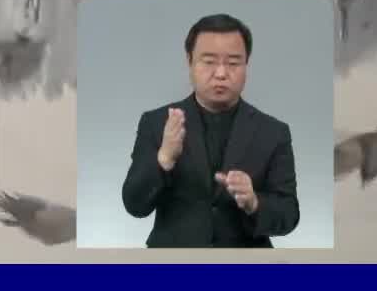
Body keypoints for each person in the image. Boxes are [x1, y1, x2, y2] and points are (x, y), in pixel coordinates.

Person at [120, 13, 300, 247]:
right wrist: (163, 160)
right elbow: (134, 205)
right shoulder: (156, 123)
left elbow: (289, 215)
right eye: (209, 61)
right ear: (190, 61)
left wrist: (255, 203)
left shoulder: (274, 132)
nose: (221, 73)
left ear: (247, 64)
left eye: (234, 63)